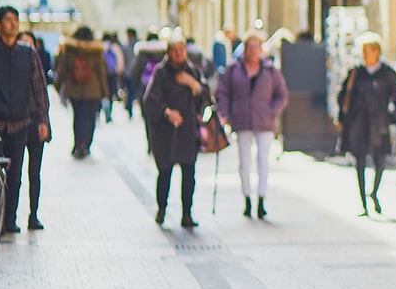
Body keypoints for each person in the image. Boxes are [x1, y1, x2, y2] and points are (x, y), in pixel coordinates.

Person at [0, 6, 52, 233]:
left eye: (16, 20)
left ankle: (9, 219)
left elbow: (39, 88)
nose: (13, 24)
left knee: (15, 176)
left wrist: (43, 119)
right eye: (8, 20)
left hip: (20, 124)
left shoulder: (29, 54)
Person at [216, 30, 288, 220]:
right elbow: (222, 92)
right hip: (242, 120)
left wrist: (272, 111)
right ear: (245, 49)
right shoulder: (234, 69)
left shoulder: (270, 70)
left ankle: (262, 199)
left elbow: (282, 94)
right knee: (245, 161)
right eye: (250, 47)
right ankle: (247, 198)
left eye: (257, 47)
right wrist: (225, 113)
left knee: (263, 159)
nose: (253, 51)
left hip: (264, 121)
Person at [336, 32, 396, 216]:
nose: (364, 54)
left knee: (380, 160)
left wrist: (391, 118)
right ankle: (363, 203)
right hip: (359, 123)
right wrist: (344, 118)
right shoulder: (355, 72)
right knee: (359, 160)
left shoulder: (387, 74)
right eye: (363, 51)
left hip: (379, 122)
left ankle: (374, 192)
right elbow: (342, 96)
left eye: (367, 51)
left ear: (377, 51)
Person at [143, 34, 206, 228]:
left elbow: (205, 97)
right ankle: (162, 209)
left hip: (187, 132)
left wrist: (192, 84)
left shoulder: (192, 70)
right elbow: (150, 100)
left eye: (182, 50)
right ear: (169, 53)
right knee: (165, 172)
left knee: (189, 175)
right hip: (166, 132)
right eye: (175, 50)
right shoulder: (161, 73)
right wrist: (167, 113)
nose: (179, 54)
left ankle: (187, 213)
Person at [55, 26, 109, 159]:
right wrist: (104, 91)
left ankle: (78, 145)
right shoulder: (96, 51)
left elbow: (62, 69)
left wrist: (58, 85)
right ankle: (86, 145)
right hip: (93, 90)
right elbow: (101, 73)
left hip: (75, 89)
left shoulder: (70, 50)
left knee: (78, 117)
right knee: (90, 119)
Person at [16, 32, 52, 222]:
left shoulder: (37, 68)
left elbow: (43, 97)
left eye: (30, 44)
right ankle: (9, 216)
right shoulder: (11, 68)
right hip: (16, 124)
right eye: (23, 43)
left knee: (34, 173)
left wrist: (43, 121)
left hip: (36, 123)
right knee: (15, 173)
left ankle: (34, 214)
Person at [101, 33, 125, 123]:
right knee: (111, 93)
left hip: (102, 74)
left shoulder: (100, 47)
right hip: (112, 74)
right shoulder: (114, 47)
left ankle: (101, 111)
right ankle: (109, 114)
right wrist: (118, 71)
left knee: (102, 94)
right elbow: (120, 60)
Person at [121, 28, 140, 117]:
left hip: (128, 72)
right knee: (135, 91)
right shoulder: (139, 45)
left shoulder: (127, 46)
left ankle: (129, 107)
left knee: (129, 91)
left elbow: (124, 60)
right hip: (138, 73)